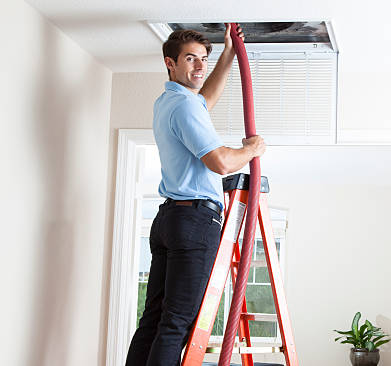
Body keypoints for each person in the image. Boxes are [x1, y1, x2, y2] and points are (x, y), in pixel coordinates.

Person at [125, 24, 265, 366]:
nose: (200, 66)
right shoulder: (186, 107)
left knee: (155, 320)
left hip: (170, 219)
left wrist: (228, 55)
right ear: (170, 63)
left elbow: (206, 100)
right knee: (176, 324)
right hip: (194, 220)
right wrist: (251, 149)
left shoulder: (171, 102)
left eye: (204, 59)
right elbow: (219, 162)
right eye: (191, 59)